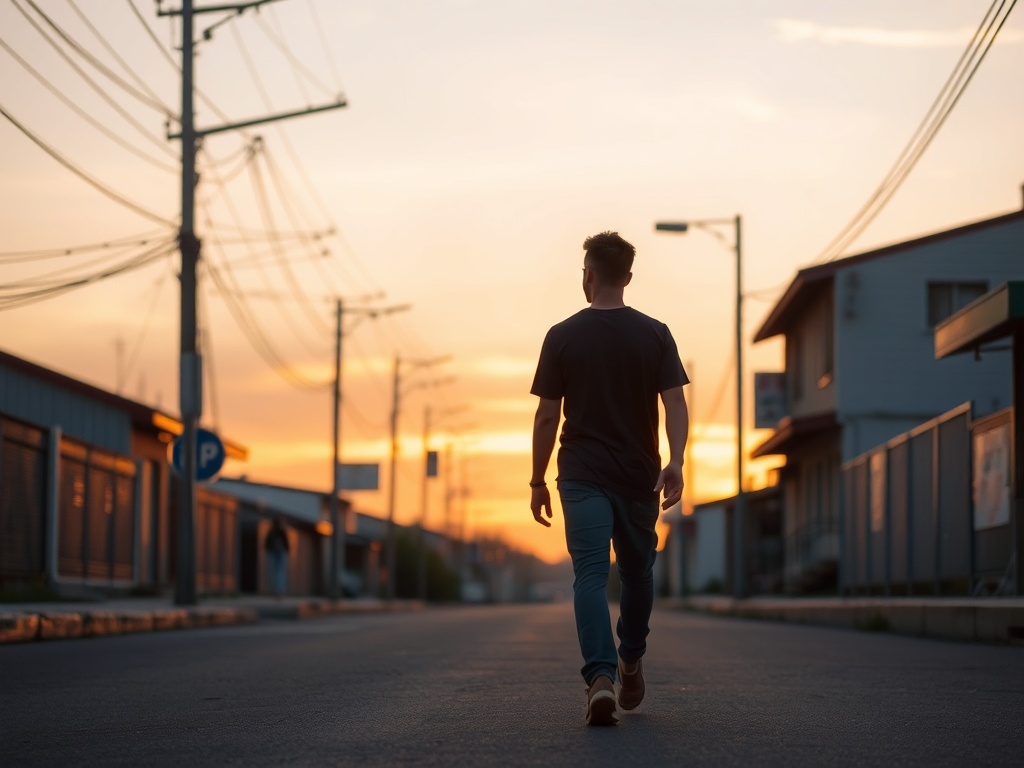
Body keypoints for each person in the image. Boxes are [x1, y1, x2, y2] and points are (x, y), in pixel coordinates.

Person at [530, 231, 689, 726]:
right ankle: (628, 660)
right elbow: (675, 403)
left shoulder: (561, 335)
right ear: (628, 277)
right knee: (638, 573)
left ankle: (601, 678)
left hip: (580, 475)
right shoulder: (655, 333)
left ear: (589, 274)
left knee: (592, 576)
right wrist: (677, 460)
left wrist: (536, 479)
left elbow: (546, 417)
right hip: (638, 473)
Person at [264, 517, 290, 598]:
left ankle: (279, 591)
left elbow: (286, 544)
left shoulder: (281, 532)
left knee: (279, 573)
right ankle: (276, 591)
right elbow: (267, 544)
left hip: (280, 554)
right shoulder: (272, 532)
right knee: (274, 573)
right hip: (273, 553)